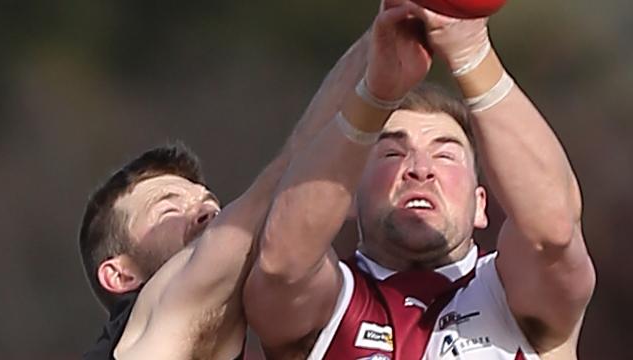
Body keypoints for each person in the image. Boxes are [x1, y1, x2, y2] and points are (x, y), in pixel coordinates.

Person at [244, 1, 596, 359]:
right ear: (347, 198)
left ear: (481, 204)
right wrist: (375, 93)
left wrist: (472, 54)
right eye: (392, 154)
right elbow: (279, 263)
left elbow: (554, 231)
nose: (419, 169)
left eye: (445, 156)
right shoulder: (329, 302)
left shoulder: (514, 294)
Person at [79, 31, 370, 360]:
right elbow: (285, 176)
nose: (206, 212)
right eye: (168, 208)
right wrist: (379, 57)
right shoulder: (153, 314)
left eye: (209, 201)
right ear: (120, 275)